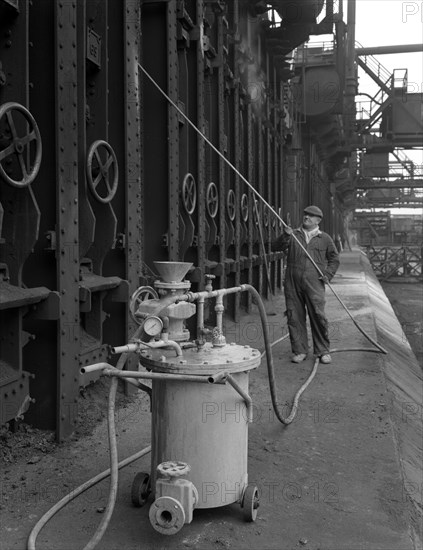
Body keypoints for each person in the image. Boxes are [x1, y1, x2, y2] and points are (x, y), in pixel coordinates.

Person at [272, 205, 340, 364]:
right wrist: (285, 236)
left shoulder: (324, 238)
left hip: (314, 282)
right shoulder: (293, 234)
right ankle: (300, 350)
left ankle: (322, 351)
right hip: (293, 281)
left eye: (311, 216)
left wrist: (328, 274)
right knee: (294, 316)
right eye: (305, 214)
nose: (306, 217)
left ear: (318, 220)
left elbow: (334, 259)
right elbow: (275, 247)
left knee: (318, 315)